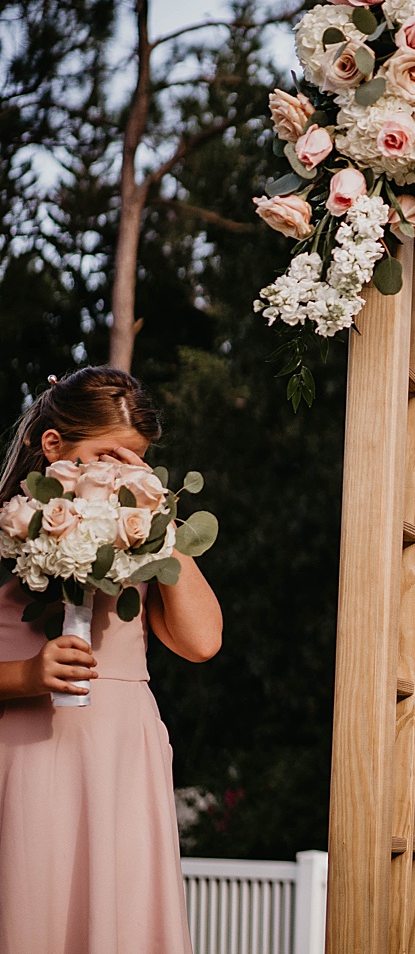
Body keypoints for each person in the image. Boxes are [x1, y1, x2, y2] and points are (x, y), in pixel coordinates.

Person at [0, 366, 224, 954]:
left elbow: (201, 642)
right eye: (107, 455)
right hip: (20, 758)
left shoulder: (141, 539)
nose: (118, 473)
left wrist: (161, 519)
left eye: (135, 463)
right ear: (54, 446)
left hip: (119, 759)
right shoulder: (4, 532)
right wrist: (23, 676)